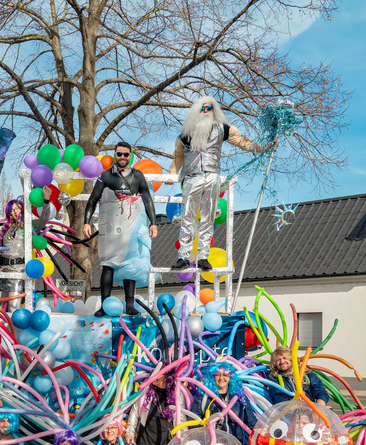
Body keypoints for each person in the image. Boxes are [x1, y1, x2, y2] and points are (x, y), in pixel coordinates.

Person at [167, 96, 272, 270]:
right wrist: (172, 174)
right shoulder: (185, 135)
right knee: (187, 217)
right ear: (196, 111)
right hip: (192, 177)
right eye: (203, 108)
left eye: (210, 108)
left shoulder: (223, 129)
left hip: (211, 176)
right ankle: (184, 256)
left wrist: (261, 147)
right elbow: (178, 156)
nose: (206, 111)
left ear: (214, 110)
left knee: (208, 217)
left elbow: (242, 141)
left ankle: (202, 257)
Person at [83, 141, 158, 316]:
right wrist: (86, 222)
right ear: (115, 155)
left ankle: (130, 305)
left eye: (126, 154)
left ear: (130, 155)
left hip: (131, 226)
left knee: (130, 264)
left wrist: (153, 223)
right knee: (107, 264)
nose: (122, 157)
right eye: (119, 154)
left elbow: (147, 200)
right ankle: (104, 305)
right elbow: (93, 199)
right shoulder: (106, 176)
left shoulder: (138, 176)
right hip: (111, 226)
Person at [189, 361, 259, 445]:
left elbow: (251, 421)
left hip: (236, 444)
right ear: (212, 377)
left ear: (230, 377)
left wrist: (263, 430)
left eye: (225, 374)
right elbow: (192, 419)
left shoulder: (240, 397)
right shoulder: (203, 397)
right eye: (218, 374)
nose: (221, 378)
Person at [263, 345, 330, 406]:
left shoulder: (307, 374)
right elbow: (281, 402)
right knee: (303, 417)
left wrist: (320, 407)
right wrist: (300, 407)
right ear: (274, 363)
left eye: (284, 358)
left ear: (291, 358)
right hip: (290, 415)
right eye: (278, 360)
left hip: (312, 411)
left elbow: (321, 392)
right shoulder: (275, 381)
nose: (282, 361)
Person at [0, 198, 26, 309]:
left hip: (18, 270)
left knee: (13, 306)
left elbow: (43, 220)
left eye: (17, 209)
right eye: (12, 210)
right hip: (2, 270)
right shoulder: (5, 229)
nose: (15, 212)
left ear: (22, 209)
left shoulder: (29, 228)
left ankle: (13, 327)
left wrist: (46, 201)